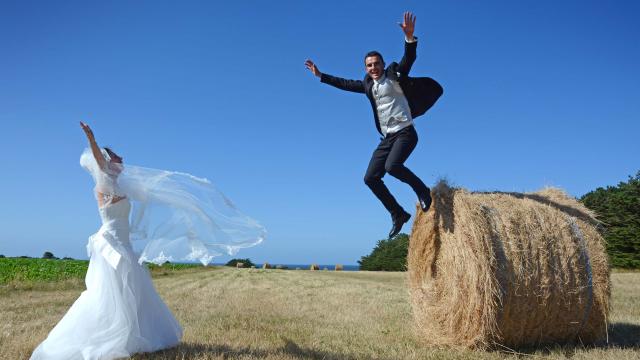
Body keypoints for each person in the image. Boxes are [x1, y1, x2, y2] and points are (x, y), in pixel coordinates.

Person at [305, 12, 442, 238]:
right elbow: (346, 84)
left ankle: (423, 192)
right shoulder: (368, 85)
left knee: (392, 167)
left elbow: (408, 60)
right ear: (366, 68)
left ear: (382, 64)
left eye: (376, 63)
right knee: (370, 178)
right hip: (388, 138)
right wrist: (321, 76)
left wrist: (409, 39)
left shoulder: (394, 75)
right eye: (369, 65)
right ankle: (398, 214)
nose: (373, 67)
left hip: (406, 132)